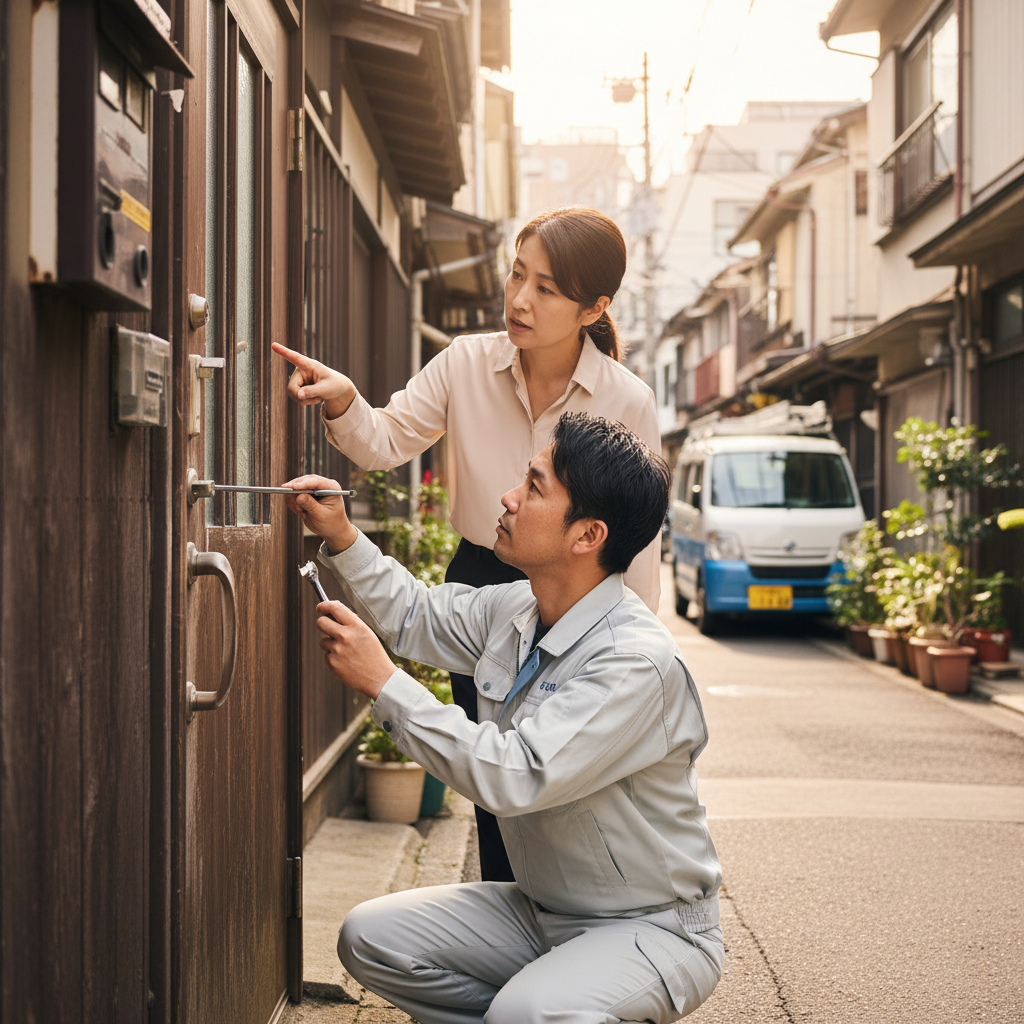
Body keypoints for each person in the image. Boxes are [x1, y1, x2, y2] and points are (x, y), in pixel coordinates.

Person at [283, 412, 723, 1024]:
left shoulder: (632, 661)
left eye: (535, 487)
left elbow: (515, 775)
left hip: (650, 927)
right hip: (541, 909)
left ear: (587, 535)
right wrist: (341, 536)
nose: (509, 497)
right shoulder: (520, 606)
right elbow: (417, 616)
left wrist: (384, 683)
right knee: (370, 939)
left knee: (524, 1013)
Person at [272, 206, 660, 883]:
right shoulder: (465, 363)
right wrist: (343, 400)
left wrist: (636, 656)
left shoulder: (626, 400)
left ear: (594, 306)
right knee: (494, 787)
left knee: (568, 783)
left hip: (578, 598)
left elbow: (636, 549)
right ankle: (506, 919)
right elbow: (384, 441)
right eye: (517, 274)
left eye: (546, 288)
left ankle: (578, 922)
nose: (519, 299)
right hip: (482, 583)